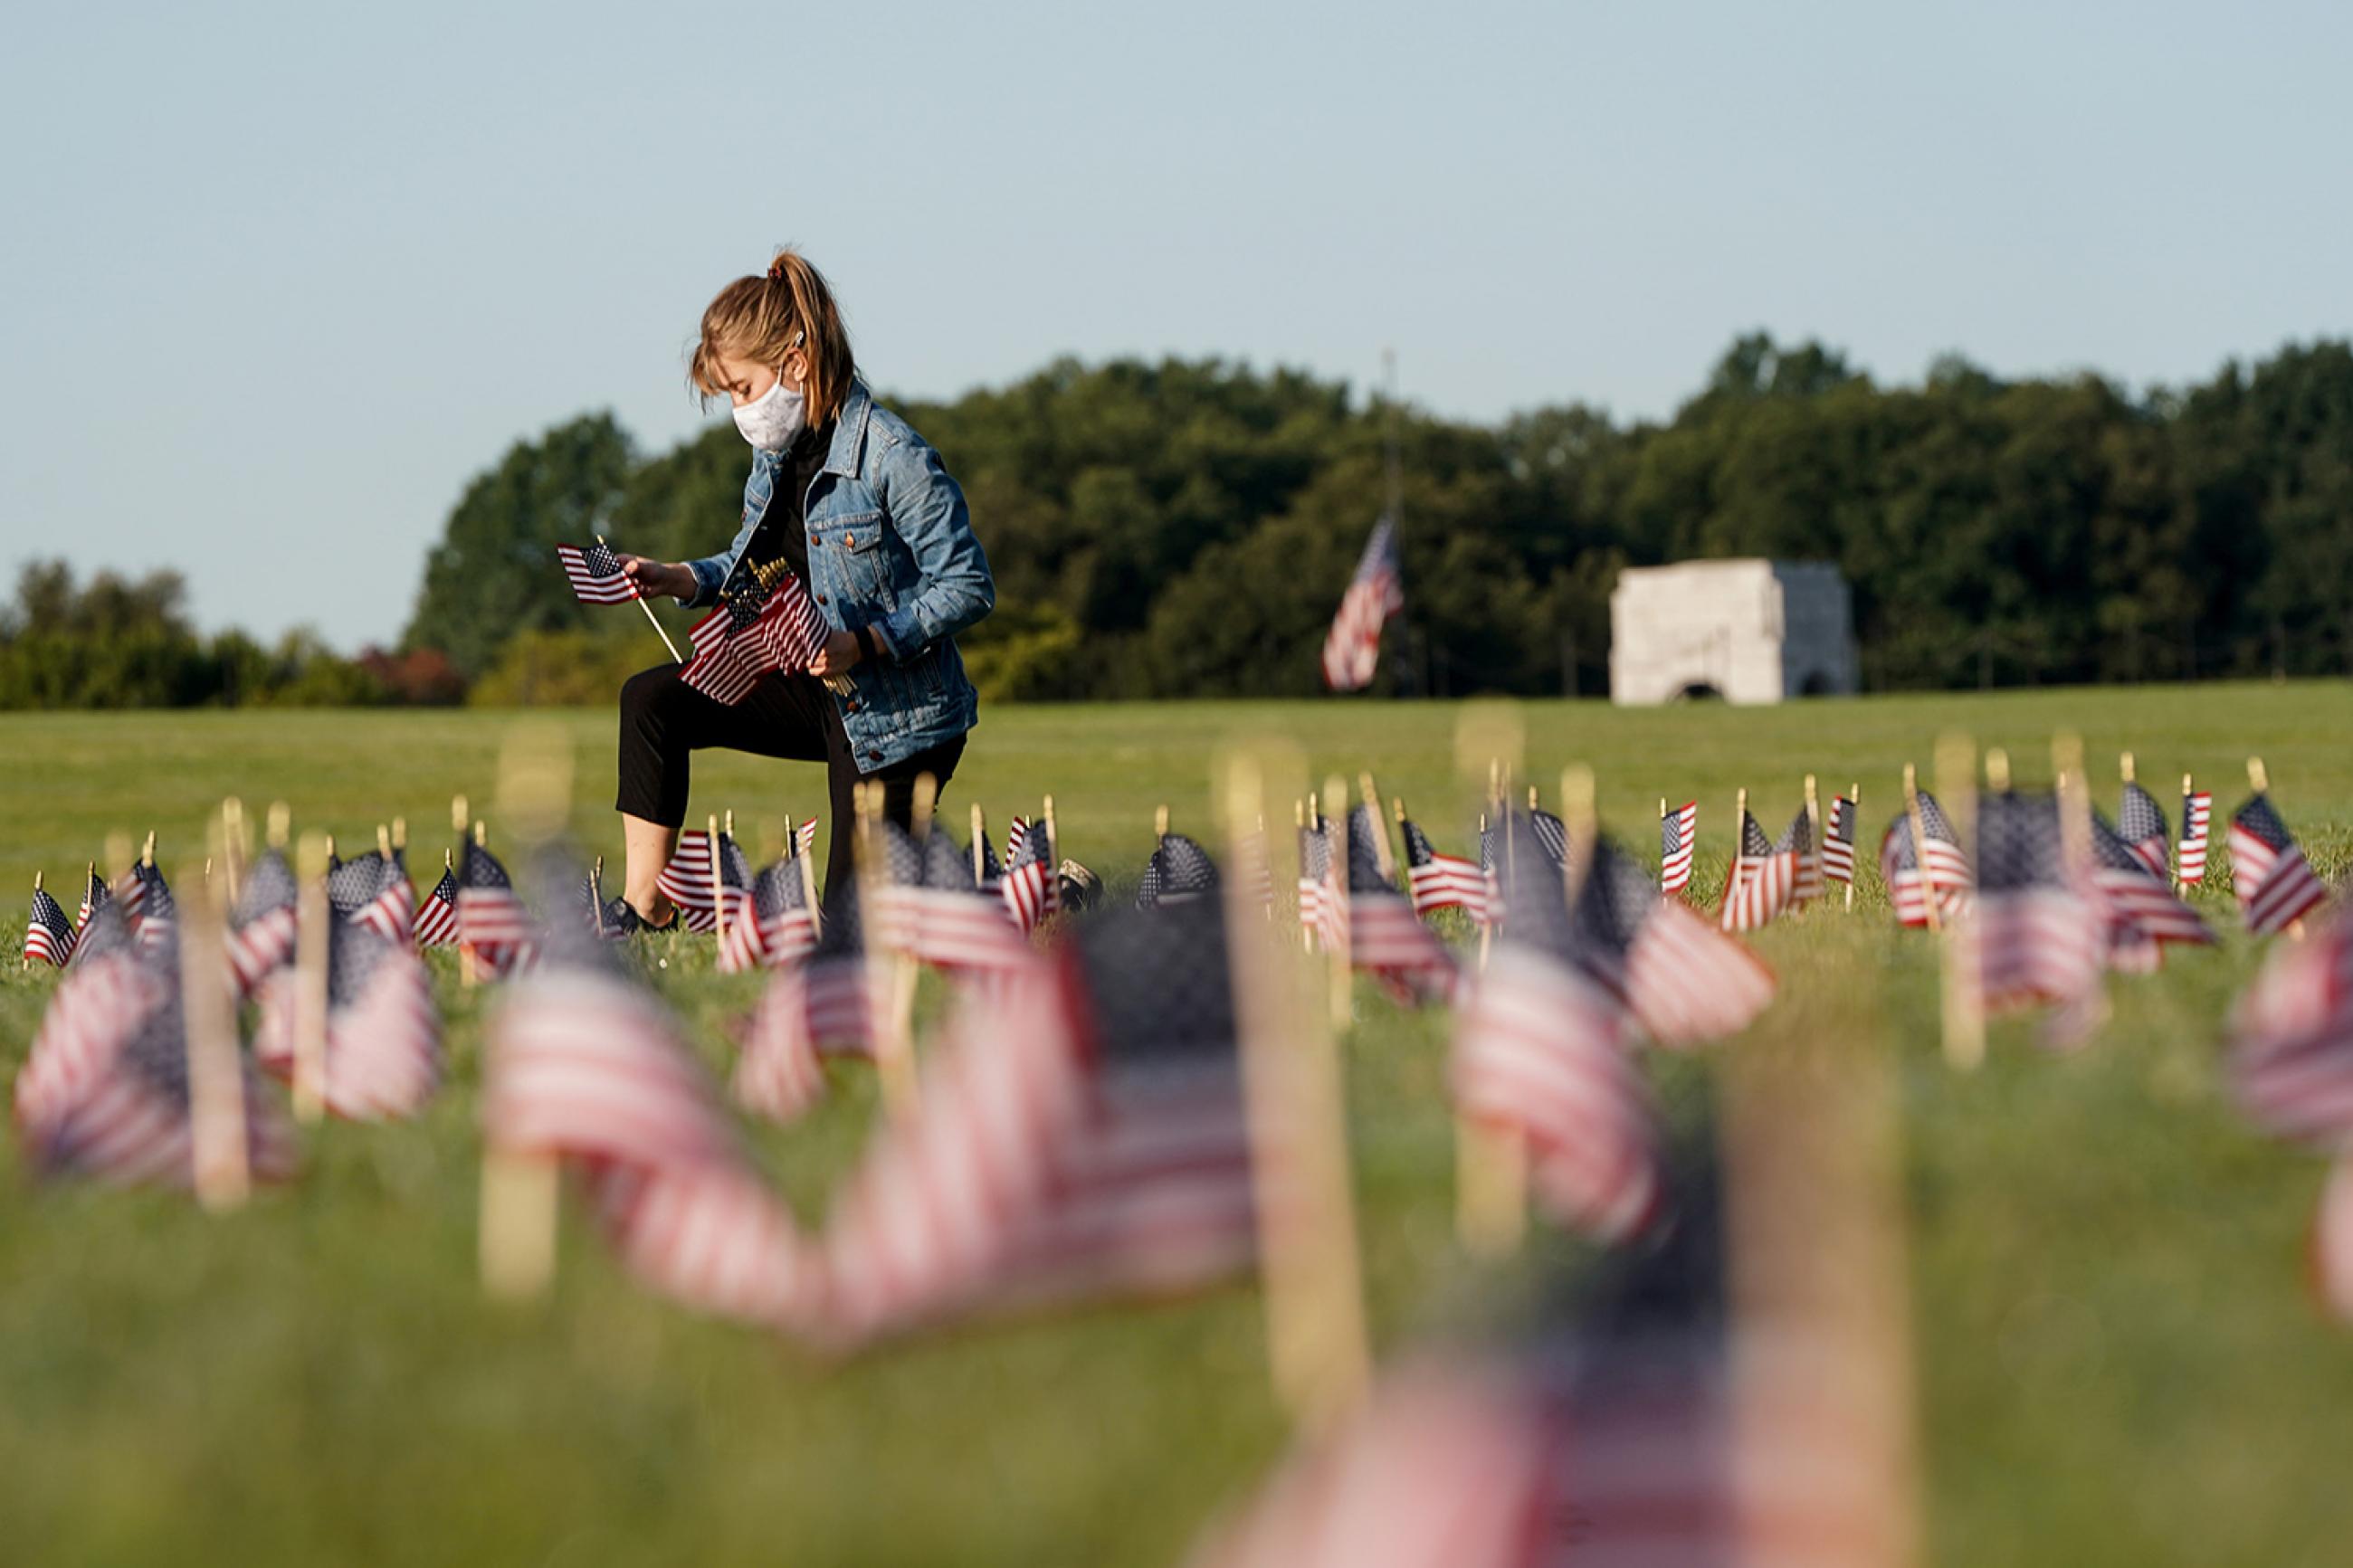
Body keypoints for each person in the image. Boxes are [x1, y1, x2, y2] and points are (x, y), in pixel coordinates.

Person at [601, 250, 993, 932]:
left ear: (797, 363)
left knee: (852, 930)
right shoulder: (775, 455)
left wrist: (865, 642)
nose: (739, 410)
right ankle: (644, 908)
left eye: (743, 389)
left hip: (897, 718)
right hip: (811, 689)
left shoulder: (893, 454)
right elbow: (753, 561)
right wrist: (681, 578)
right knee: (651, 699)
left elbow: (968, 584)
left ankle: (1032, 900)